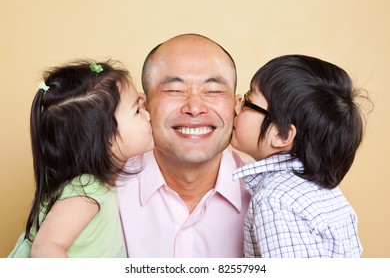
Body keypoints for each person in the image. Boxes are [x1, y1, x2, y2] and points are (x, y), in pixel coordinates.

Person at [117, 33, 251, 257]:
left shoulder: (274, 198)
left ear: (236, 106)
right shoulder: (98, 194)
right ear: (144, 104)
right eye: (174, 90)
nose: (195, 107)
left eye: (213, 91)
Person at [8, 60, 153, 257]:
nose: (147, 111)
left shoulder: (91, 186)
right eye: (137, 110)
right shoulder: (86, 191)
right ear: (106, 139)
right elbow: (44, 249)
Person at [231, 54, 366, 258]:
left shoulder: (274, 202)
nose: (237, 103)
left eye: (249, 100)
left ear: (281, 134)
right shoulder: (320, 190)